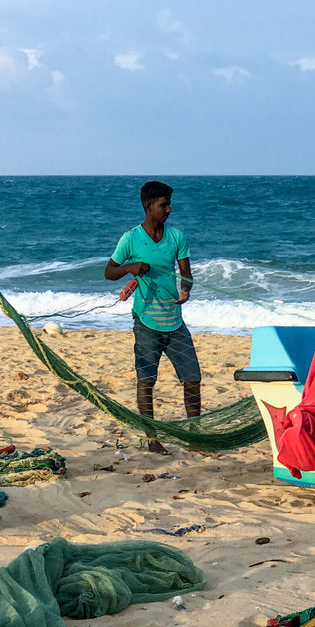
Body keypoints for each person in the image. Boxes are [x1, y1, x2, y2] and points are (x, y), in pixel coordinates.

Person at [104, 180, 202, 454]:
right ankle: (151, 439)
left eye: (169, 204)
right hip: (146, 321)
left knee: (192, 378)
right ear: (149, 207)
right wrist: (130, 267)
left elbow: (187, 274)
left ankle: (195, 437)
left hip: (174, 320)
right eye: (164, 205)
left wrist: (186, 290)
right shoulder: (131, 238)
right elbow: (109, 271)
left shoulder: (176, 237)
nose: (169, 210)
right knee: (146, 381)